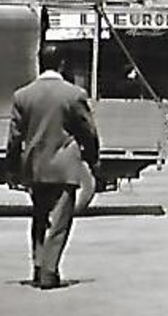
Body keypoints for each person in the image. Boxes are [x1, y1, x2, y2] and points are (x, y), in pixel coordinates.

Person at [6, 44, 100, 290]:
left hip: (35, 166)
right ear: (62, 65)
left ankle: (38, 265)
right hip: (64, 166)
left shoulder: (22, 95)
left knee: (39, 217)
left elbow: (14, 137)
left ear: (39, 63)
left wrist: (12, 167)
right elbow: (87, 130)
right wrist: (92, 157)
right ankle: (49, 270)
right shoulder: (73, 94)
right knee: (59, 222)